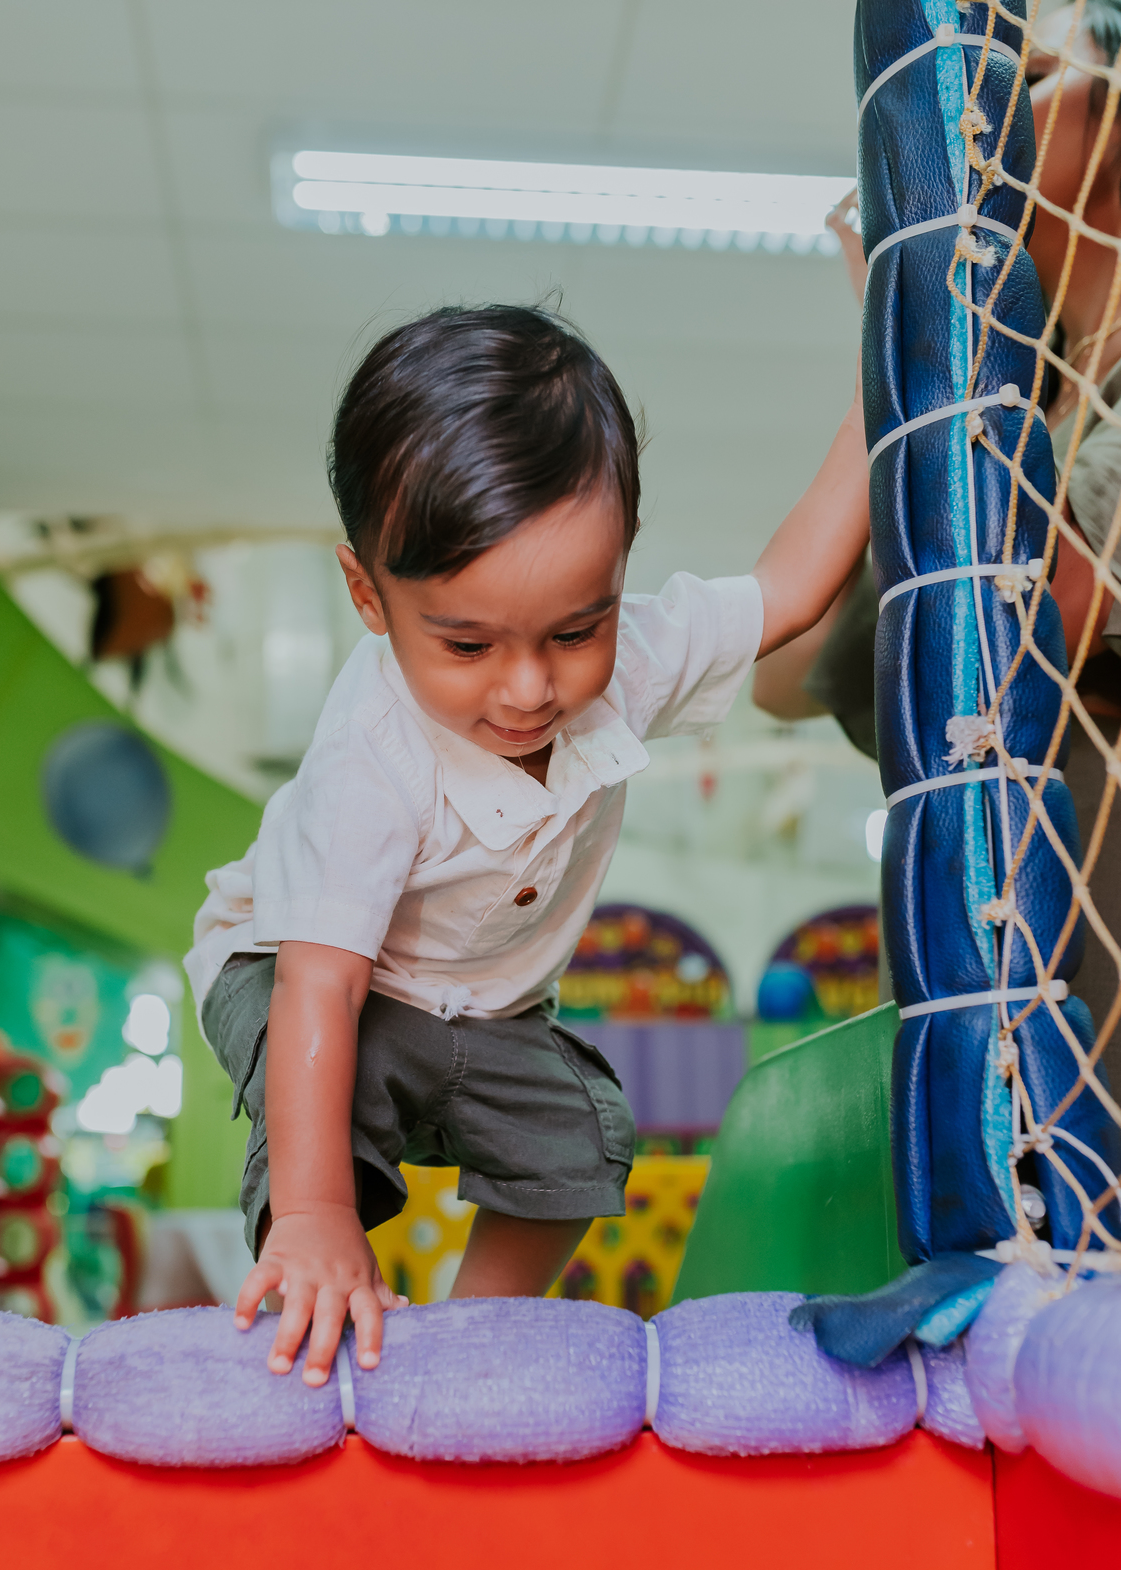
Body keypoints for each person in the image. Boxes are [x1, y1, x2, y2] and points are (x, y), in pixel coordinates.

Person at [185, 303, 868, 1386]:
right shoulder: (371, 762)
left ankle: (477, 1337)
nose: (528, 688)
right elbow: (323, 986)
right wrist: (315, 1214)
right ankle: (311, 1274)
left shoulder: (633, 661)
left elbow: (788, 591)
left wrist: (884, 397)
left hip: (481, 1011)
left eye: (574, 631)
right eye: (467, 645)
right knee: (335, 1089)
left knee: (579, 1133)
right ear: (369, 596)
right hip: (293, 969)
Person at [756, 2, 1121, 1090]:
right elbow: (778, 668)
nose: (983, 108)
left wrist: (936, 335)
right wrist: (904, 369)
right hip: (986, 950)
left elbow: (1033, 625)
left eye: (1035, 75)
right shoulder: (1022, 418)